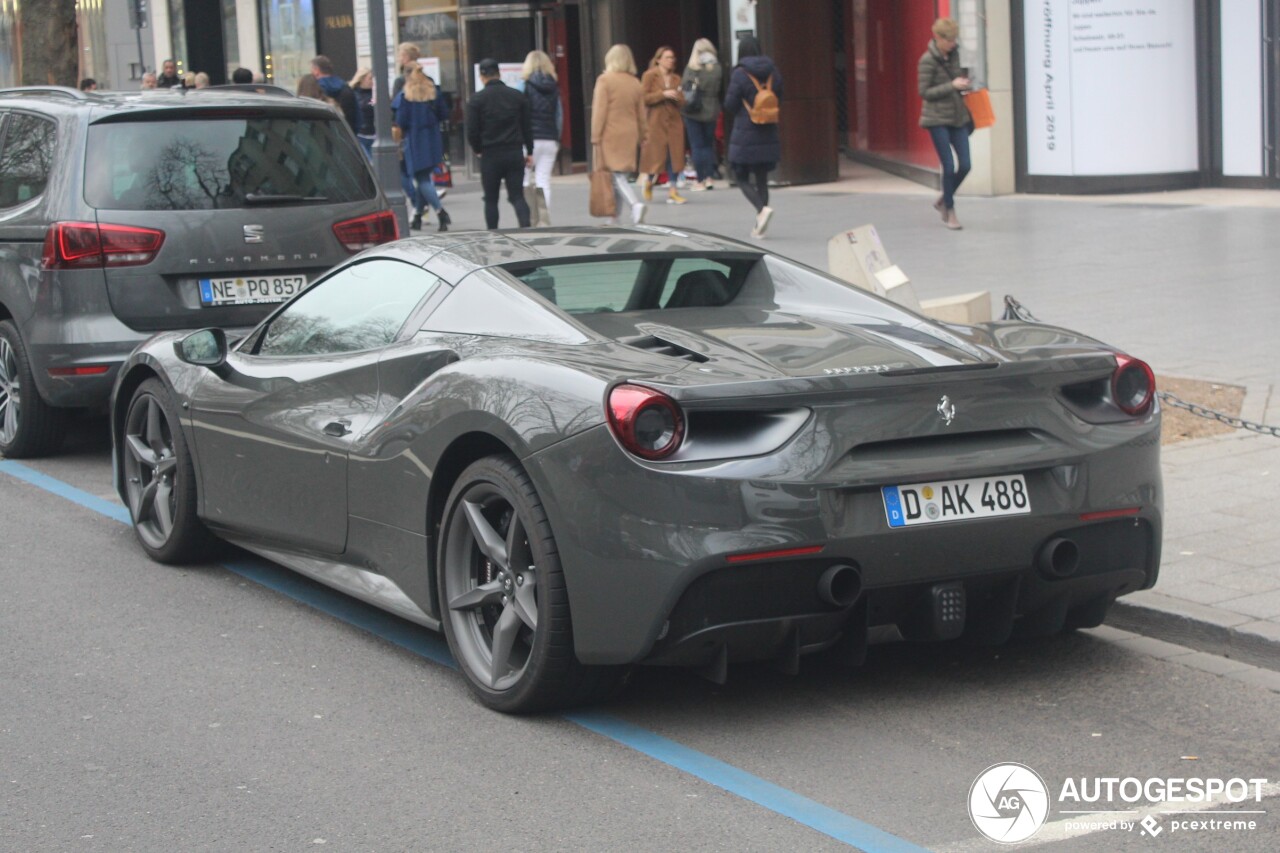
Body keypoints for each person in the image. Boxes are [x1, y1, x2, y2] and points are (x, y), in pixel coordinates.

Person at [723, 35, 782, 238]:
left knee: (739, 176)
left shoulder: (740, 73)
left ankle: (761, 210)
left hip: (746, 131)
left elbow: (730, 104)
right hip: (768, 130)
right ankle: (759, 225)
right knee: (762, 178)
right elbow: (780, 96)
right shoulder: (773, 71)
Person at [918, 17, 972, 230]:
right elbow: (924, 92)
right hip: (936, 119)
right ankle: (949, 210)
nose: (952, 43)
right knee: (948, 166)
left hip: (958, 117)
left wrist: (963, 84)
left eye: (954, 39)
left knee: (966, 164)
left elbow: (956, 80)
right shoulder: (927, 61)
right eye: (949, 40)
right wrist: (951, 85)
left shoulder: (955, 55)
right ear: (938, 38)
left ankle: (943, 198)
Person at [466, 57, 532, 229]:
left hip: (490, 153)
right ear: (499, 73)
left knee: (491, 198)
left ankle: (493, 234)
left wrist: (478, 148)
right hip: (514, 151)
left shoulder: (477, 100)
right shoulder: (516, 96)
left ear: (482, 76)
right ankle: (526, 228)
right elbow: (527, 126)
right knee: (518, 196)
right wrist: (530, 151)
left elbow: (472, 131)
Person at [590, 44, 647, 225]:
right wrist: (643, 135)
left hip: (610, 133)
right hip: (630, 132)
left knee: (614, 175)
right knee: (617, 174)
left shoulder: (604, 81)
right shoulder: (635, 82)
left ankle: (635, 204)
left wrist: (595, 136)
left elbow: (600, 111)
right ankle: (614, 216)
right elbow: (641, 113)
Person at [394, 67, 452, 231]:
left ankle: (441, 212)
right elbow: (444, 113)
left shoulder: (406, 96)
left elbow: (401, 121)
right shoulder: (433, 92)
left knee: (422, 180)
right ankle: (418, 216)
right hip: (433, 139)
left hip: (414, 140)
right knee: (424, 178)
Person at [638, 46, 687, 205]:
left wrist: (676, 97)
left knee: (674, 155)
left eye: (672, 57)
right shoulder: (649, 75)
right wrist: (662, 94)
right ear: (658, 59)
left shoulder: (676, 78)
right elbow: (643, 98)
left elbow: (682, 101)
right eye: (667, 57)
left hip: (673, 121)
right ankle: (649, 182)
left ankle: (673, 190)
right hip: (655, 121)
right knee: (656, 155)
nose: (671, 60)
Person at [521, 50, 561, 211]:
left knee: (524, 179)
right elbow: (559, 115)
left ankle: (528, 216)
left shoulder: (524, 85)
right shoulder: (553, 86)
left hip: (530, 139)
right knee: (543, 180)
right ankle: (544, 217)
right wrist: (556, 136)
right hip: (549, 137)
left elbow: (521, 114)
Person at [681, 39, 722, 192]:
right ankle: (710, 177)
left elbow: (685, 86)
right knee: (708, 144)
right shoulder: (716, 68)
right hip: (712, 108)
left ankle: (700, 179)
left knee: (697, 146)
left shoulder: (692, 67)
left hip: (694, 109)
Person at [311, 55, 359, 135]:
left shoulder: (315, 88)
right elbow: (356, 117)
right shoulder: (345, 87)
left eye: (311, 69)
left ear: (316, 71)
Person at [350, 67, 376, 158]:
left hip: (374, 134)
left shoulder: (374, 93)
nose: (372, 81)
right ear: (362, 79)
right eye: (370, 78)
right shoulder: (353, 94)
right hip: (361, 135)